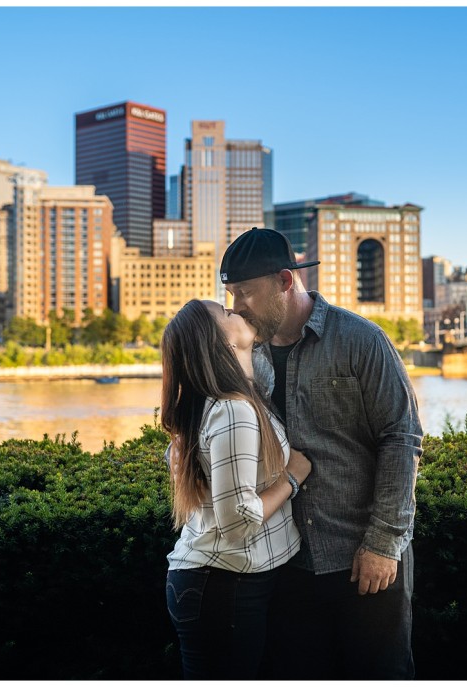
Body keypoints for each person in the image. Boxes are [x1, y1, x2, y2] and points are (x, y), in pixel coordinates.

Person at [220, 227, 424, 679]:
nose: (235, 305)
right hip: (286, 563)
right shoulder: (246, 356)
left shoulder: (361, 340)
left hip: (363, 560)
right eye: (230, 293)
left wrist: (383, 544)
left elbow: (402, 438)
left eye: (246, 292)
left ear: (286, 281)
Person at [160, 298, 313, 680]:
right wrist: (292, 477)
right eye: (226, 313)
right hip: (223, 586)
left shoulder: (226, 402)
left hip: (222, 584)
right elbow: (237, 522)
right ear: (222, 344)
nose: (237, 310)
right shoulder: (233, 410)